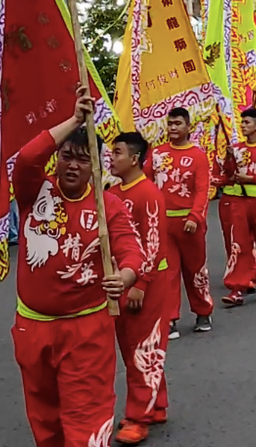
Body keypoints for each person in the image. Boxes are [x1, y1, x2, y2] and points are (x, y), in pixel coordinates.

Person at [10, 87, 144, 447]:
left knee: (87, 419)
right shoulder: (34, 192)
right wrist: (73, 120)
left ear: (96, 165)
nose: (73, 165)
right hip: (33, 329)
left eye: (83, 159)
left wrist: (125, 276)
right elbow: (26, 159)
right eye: (67, 156)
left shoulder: (109, 205)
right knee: (45, 419)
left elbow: (131, 250)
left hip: (87, 330)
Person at [108, 132, 172, 445]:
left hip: (147, 284)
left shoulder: (148, 194)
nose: (111, 157)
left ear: (134, 158)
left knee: (143, 349)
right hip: (124, 280)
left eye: (117, 152)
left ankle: (138, 417)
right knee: (133, 348)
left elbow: (154, 243)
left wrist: (140, 285)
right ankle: (156, 404)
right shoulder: (113, 193)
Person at [150, 108, 213, 339]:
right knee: (168, 273)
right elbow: (146, 183)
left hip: (190, 224)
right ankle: (170, 318)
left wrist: (195, 217)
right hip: (163, 223)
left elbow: (202, 190)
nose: (173, 127)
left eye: (178, 123)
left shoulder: (198, 156)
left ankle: (203, 311)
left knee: (195, 270)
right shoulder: (157, 155)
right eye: (170, 123)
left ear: (188, 127)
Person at [220, 108, 256, 308]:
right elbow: (228, 174)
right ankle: (237, 288)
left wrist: (251, 179)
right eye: (242, 122)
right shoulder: (236, 148)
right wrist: (229, 158)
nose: (243, 126)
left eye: (247, 122)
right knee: (239, 244)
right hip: (239, 203)